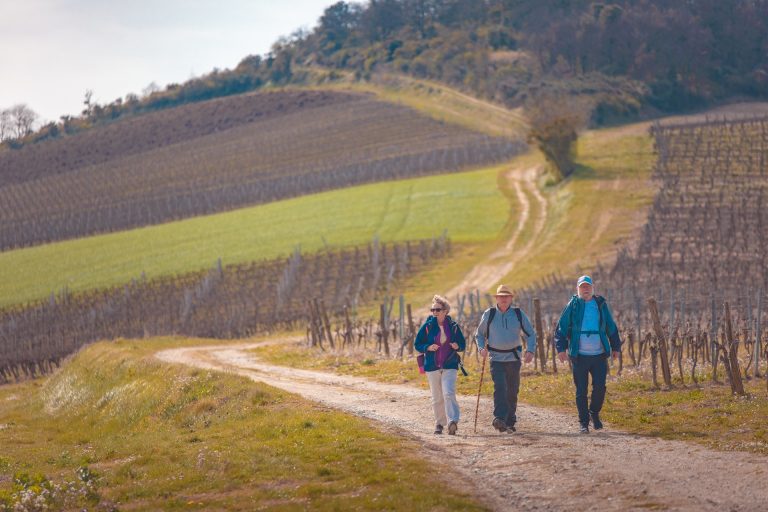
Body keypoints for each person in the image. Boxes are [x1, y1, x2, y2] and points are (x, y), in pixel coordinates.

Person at [554, 275, 622, 434]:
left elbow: (611, 327)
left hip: (599, 354)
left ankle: (594, 413)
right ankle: (583, 422)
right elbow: (561, 328)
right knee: (581, 390)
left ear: (592, 288)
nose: (585, 289)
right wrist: (561, 349)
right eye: (582, 287)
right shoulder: (572, 305)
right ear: (577, 289)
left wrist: (616, 347)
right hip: (579, 355)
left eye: (588, 286)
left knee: (600, 387)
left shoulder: (600, 305)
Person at [475, 285, 536, 433]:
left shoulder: (518, 314)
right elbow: (479, 335)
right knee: (500, 387)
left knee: (512, 390)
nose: (503, 299)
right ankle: (499, 418)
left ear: (511, 298)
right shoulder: (489, 314)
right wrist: (481, 348)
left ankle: (510, 421)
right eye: (500, 296)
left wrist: (530, 350)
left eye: (506, 296)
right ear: (496, 298)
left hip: (514, 358)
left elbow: (531, 334)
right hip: (495, 358)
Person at [414, 295, 467, 435]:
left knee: (448, 393)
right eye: (433, 309)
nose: (435, 312)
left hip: (450, 364)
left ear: (445, 311)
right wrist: (427, 347)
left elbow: (462, 344)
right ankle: (439, 423)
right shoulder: (427, 327)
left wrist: (457, 346)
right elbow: (417, 344)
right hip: (432, 366)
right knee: (437, 397)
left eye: (438, 309)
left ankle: (452, 421)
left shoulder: (454, 327)